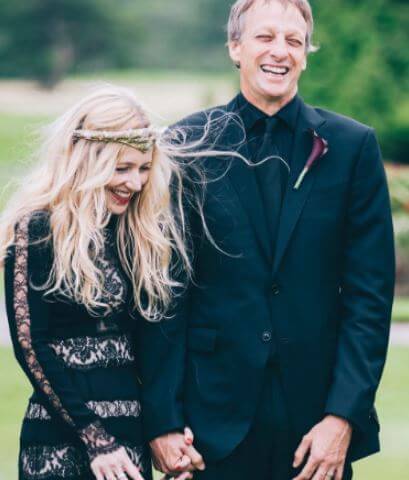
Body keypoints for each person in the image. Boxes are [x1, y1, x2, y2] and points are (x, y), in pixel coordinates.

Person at [138, 1, 395, 479]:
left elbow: (369, 299)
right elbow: (164, 294)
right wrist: (164, 420)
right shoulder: (186, 144)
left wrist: (342, 418)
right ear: (235, 47)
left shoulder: (352, 147)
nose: (281, 51)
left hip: (315, 429)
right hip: (209, 426)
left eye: (294, 41)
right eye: (265, 37)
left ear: (306, 54)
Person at [0, 86, 199, 480]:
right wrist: (95, 440)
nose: (137, 182)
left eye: (144, 168)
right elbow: (31, 346)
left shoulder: (136, 236)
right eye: (122, 168)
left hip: (129, 433)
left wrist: (169, 429)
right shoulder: (36, 230)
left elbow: (155, 344)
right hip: (61, 437)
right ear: (87, 161)